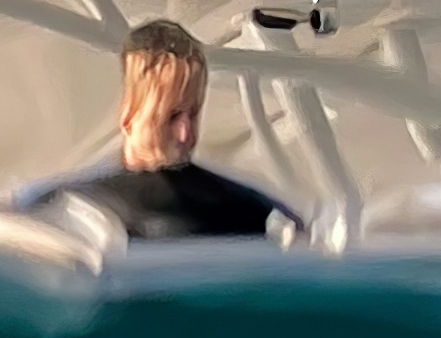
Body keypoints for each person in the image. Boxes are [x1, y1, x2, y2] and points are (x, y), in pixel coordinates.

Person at [26, 17, 297, 248]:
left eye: (193, 114)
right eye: (170, 117)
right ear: (128, 113)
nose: (185, 135)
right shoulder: (67, 207)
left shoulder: (250, 212)